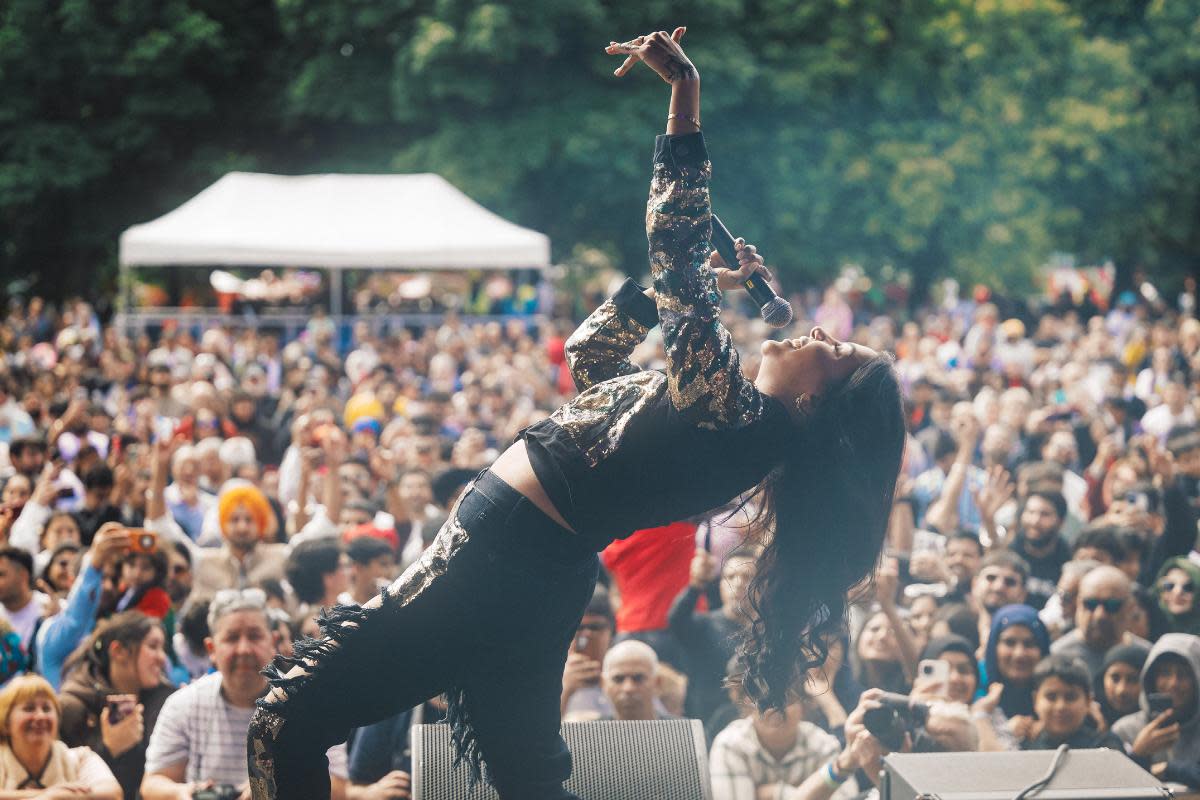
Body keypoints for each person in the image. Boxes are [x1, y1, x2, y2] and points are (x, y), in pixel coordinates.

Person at [247, 28, 906, 800]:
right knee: (530, 782)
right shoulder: (723, 413)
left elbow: (676, 253)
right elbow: (592, 356)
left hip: (503, 556)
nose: (823, 332)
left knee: (286, 724)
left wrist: (683, 100)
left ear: (815, 400)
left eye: (841, 352)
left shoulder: (735, 414)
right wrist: (686, 289)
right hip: (532, 568)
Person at [58, 612, 175, 800]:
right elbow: (64, 783)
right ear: (118, 651)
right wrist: (107, 750)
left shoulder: (168, 703)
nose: (162, 658)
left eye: (163, 648)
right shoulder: (72, 707)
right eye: (153, 646)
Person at [668, 545, 755, 724]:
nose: (738, 583)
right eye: (730, 577)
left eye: (748, 577)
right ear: (720, 585)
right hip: (707, 727)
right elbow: (676, 619)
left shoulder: (767, 631)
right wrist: (695, 586)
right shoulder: (703, 626)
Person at [0, 674, 121, 797]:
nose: (41, 716)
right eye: (29, 708)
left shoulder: (80, 758)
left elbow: (113, 794)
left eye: (47, 709)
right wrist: (48, 795)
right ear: (6, 721)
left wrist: (56, 796)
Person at [1112, 633, 1200, 788]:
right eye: (1165, 673)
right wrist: (1138, 754)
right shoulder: (1126, 730)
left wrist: (1167, 769)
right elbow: (1111, 787)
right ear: (1151, 678)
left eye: (1184, 674)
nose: (1173, 683)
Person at [1051, 565, 1149, 678]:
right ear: (1078, 604)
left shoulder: (1147, 657)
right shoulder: (1057, 657)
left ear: (1130, 608)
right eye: (1091, 604)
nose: (1100, 615)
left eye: (1112, 606)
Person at [974, 604, 1049, 750]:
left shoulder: (1059, 693)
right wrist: (1003, 730)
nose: (1019, 654)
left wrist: (1051, 727)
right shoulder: (972, 686)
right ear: (993, 647)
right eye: (1009, 642)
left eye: (1029, 644)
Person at [1021, 655, 1123, 750]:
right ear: (1035, 700)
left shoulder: (1106, 748)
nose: (1060, 706)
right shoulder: (1024, 748)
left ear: (1088, 701)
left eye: (1070, 697)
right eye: (1051, 697)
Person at [598, 640, 672, 722]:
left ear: (657, 683)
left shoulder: (682, 731)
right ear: (603, 683)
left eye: (638, 678)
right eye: (618, 679)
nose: (628, 688)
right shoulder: (592, 733)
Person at [1095, 642, 1150, 728]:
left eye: (1133, 680)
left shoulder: (1156, 723)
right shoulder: (1085, 717)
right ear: (1103, 678)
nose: (1122, 690)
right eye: (1115, 678)